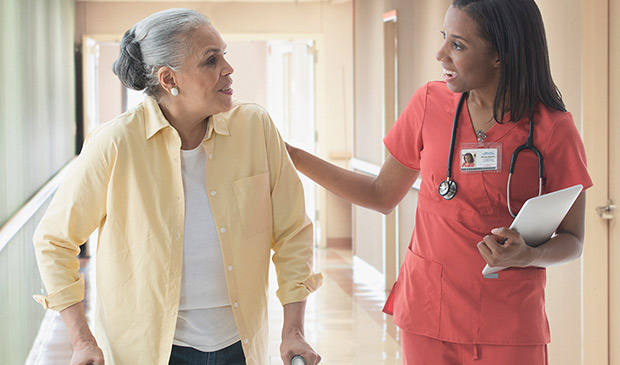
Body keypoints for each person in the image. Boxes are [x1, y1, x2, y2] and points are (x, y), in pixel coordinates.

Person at [285, 0, 592, 363]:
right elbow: (381, 195)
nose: (440, 54)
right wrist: (291, 154)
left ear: (500, 54)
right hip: (428, 312)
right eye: (444, 37)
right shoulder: (429, 104)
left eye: (457, 45)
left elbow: (572, 240)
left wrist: (531, 254)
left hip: (508, 322)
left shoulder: (552, 128)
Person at [32, 8, 322, 365]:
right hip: (147, 352)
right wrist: (81, 339)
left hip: (241, 347)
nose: (228, 69)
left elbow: (293, 231)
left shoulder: (255, 129)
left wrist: (293, 328)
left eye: (224, 56)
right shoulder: (117, 142)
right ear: (169, 78)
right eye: (210, 60)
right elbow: (54, 240)